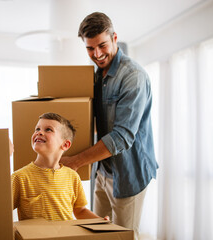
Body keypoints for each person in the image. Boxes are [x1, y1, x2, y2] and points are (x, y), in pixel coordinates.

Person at [60, 12, 158, 239]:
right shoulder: (96, 76)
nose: (97, 54)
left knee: (124, 235)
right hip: (101, 169)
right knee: (98, 232)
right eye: (90, 48)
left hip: (129, 172)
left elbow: (122, 137)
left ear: (115, 38)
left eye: (102, 45)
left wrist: (75, 161)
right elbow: (94, 123)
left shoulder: (132, 76)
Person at [12, 112, 107, 221]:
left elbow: (80, 211)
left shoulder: (72, 176)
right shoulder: (19, 178)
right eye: (37, 129)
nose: (39, 133)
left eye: (48, 130)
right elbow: (1, 211)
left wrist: (101, 221)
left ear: (65, 145)